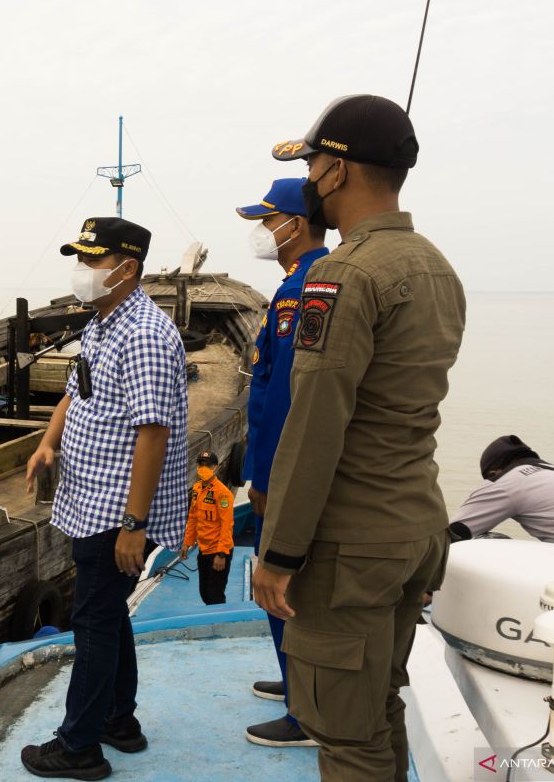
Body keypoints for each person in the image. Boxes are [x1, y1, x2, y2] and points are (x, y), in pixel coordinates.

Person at [253, 94, 465, 782]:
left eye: (314, 162)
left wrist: (279, 551)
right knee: (376, 707)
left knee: (343, 733)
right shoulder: (436, 266)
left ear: (339, 171)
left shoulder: (343, 272)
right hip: (415, 530)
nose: (311, 177)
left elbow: (317, 424)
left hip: (349, 549)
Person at [21, 217, 189, 780]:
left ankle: (79, 747)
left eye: (93, 261)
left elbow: (154, 431)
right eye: (83, 260)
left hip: (117, 510)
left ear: (127, 268)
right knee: (108, 615)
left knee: (92, 622)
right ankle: (119, 721)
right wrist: (47, 443)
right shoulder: (102, 324)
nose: (83, 271)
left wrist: (135, 524)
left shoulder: (144, 333)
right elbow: (77, 390)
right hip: (89, 499)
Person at [235, 178, 329, 748]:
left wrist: (265, 479)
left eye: (270, 220)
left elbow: (286, 399)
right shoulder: (295, 282)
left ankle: (306, 712)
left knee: (284, 588)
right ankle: (297, 683)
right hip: (275, 462)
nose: (264, 232)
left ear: (296, 222)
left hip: (280, 469)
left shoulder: (303, 291)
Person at [450, 435, 554, 543]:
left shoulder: (504, 481)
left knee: (487, 541)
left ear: (493, 472)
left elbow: (454, 533)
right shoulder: (552, 470)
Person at [179, 450, 234, 605]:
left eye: (208, 465)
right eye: (201, 464)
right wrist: (187, 542)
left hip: (218, 551)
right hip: (203, 550)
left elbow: (227, 524)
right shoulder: (197, 489)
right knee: (204, 593)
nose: (203, 468)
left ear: (215, 467)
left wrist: (222, 554)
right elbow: (193, 517)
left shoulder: (223, 494)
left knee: (215, 596)